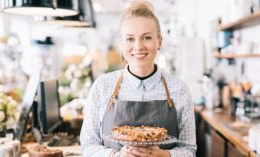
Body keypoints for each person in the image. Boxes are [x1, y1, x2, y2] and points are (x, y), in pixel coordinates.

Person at [80, 0, 197, 156]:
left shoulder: (179, 90)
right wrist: (117, 155)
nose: (138, 46)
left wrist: (165, 155)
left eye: (147, 38)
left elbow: (189, 149)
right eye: (130, 39)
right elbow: (87, 146)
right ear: (122, 44)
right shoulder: (102, 86)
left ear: (159, 41)